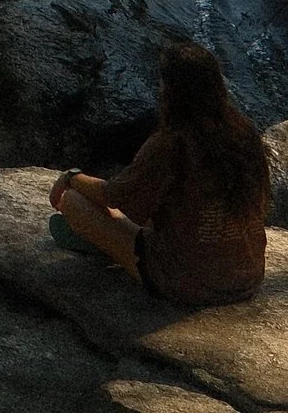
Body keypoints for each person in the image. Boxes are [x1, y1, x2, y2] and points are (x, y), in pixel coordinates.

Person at [52, 40, 272, 303]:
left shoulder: (171, 143)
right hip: (248, 278)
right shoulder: (244, 133)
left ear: (172, 92)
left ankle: (102, 244)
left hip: (189, 283)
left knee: (73, 202)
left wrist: (71, 177)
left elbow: (113, 196)